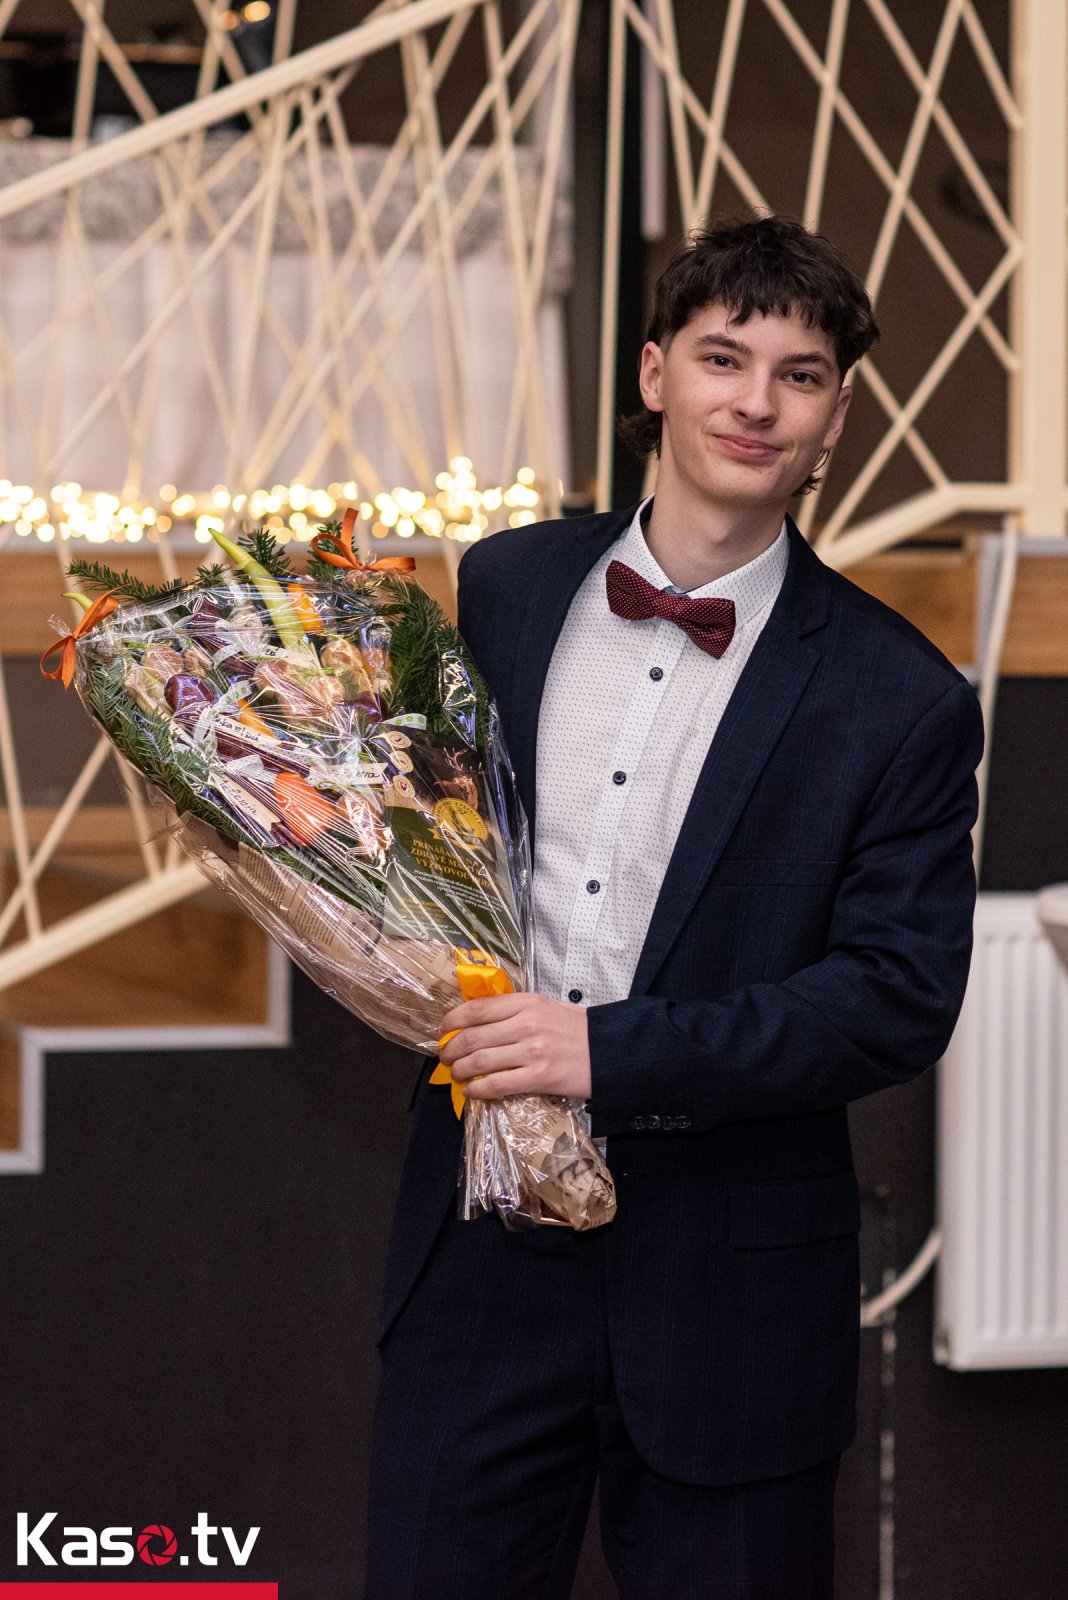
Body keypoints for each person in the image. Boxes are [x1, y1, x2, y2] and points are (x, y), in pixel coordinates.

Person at [364, 214, 984, 1599]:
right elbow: (424, 842)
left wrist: (603, 1050)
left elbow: (892, 1000)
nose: (756, 402)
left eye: (801, 375)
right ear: (654, 374)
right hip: (478, 1255)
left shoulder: (902, 696)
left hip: (733, 1293)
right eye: (722, 358)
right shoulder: (503, 587)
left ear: (834, 418)